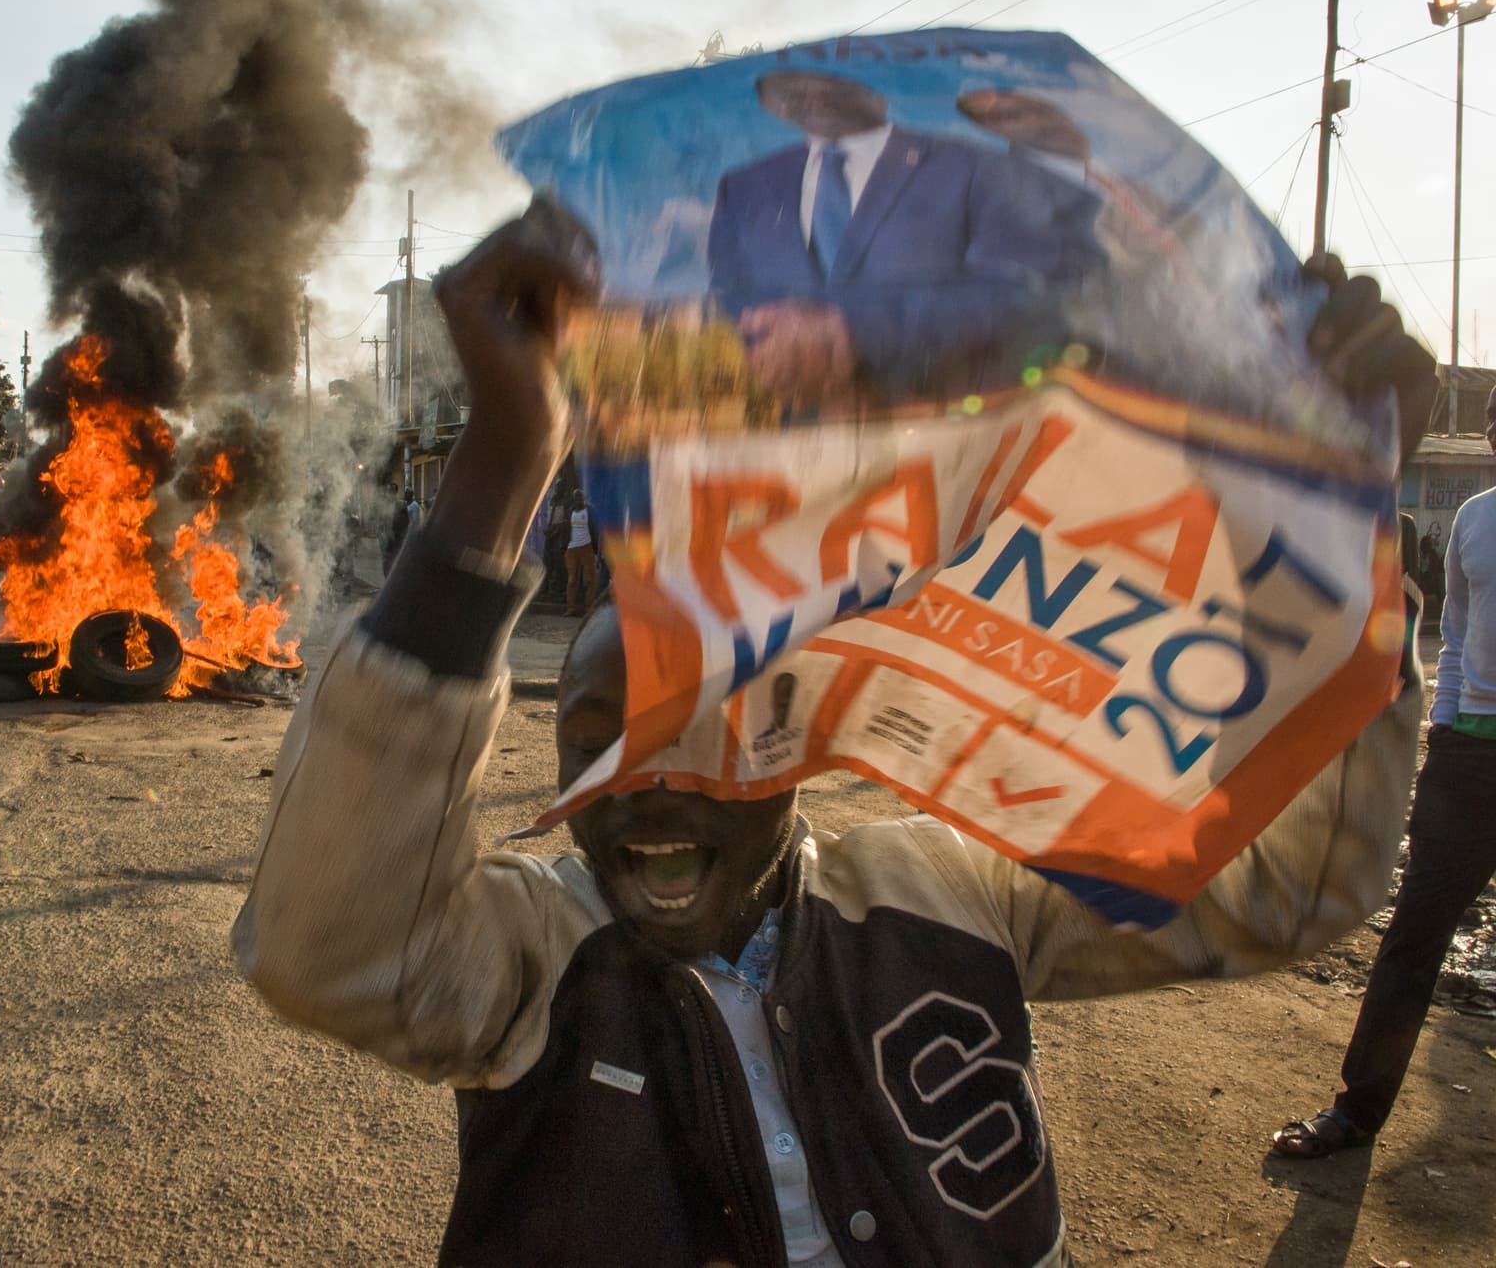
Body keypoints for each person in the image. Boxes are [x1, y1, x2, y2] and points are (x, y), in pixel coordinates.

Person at [231, 204, 1436, 1267]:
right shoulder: (533, 953)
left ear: (798, 736)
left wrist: (1337, 512)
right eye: (593, 737)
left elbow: (1293, 888)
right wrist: (504, 457)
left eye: (698, 729)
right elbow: (326, 945)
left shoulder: (949, 892)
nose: (642, 785)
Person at [1272, 382, 1496, 1160]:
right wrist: (1446, 725)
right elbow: (1457, 633)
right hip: (1468, 760)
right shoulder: (1474, 520)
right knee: (1412, 940)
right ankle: (1357, 1111)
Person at [706, 70, 1103, 411]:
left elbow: (1019, 288)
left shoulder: (970, 164)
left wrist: (856, 332)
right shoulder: (744, 187)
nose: (808, 97)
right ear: (768, 103)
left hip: (947, 424)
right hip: (792, 440)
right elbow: (727, 299)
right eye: (787, 89)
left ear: (876, 92)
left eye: (825, 83)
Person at [564, 487, 597, 615]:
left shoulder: (589, 510)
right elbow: (566, 529)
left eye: (580, 496)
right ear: (574, 499)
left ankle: (588, 608)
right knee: (572, 580)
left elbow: (595, 528)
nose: (578, 499)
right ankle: (570, 608)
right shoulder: (570, 511)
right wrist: (565, 546)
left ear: (584, 498)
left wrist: (596, 549)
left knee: (590, 580)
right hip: (572, 548)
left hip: (587, 547)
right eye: (576, 497)